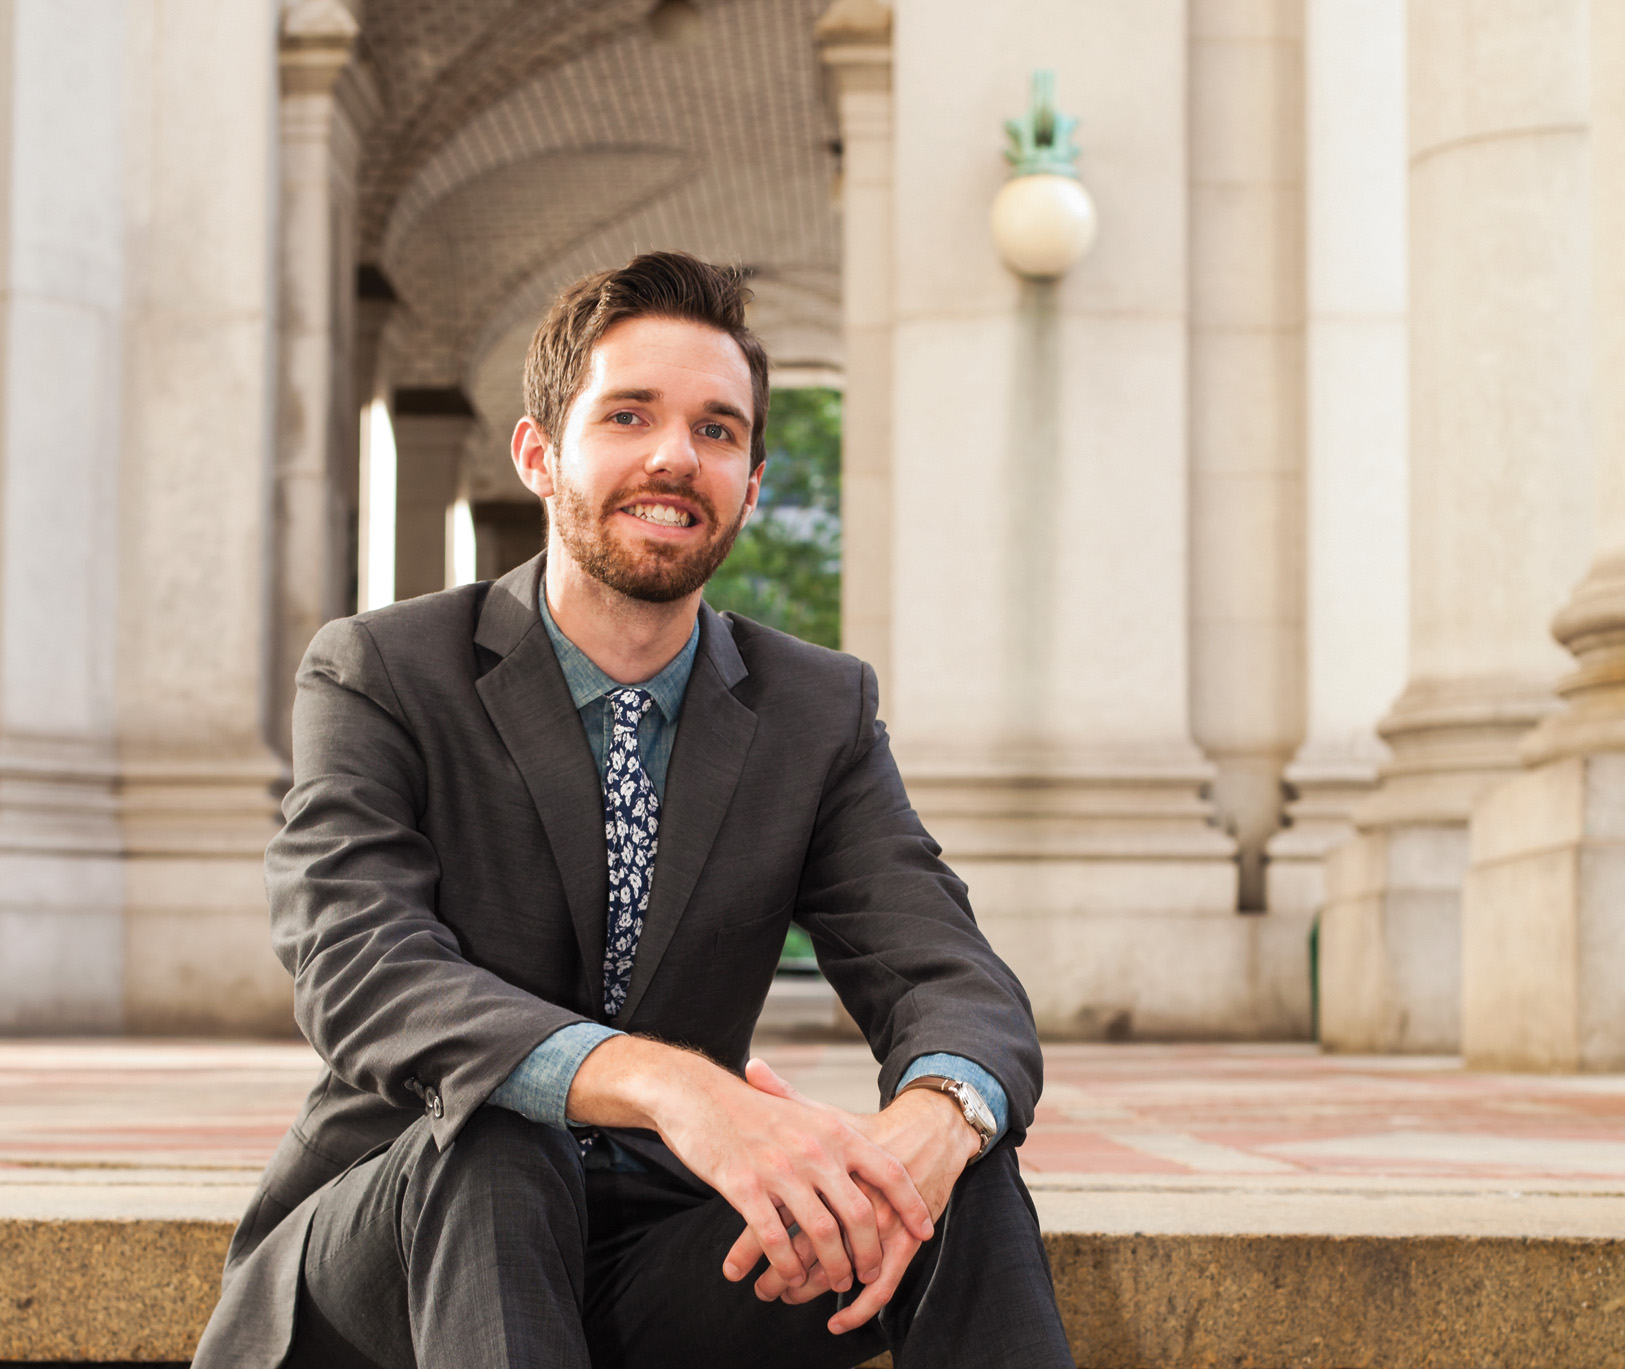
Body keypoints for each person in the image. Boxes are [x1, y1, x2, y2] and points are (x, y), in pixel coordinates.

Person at [193, 251, 1074, 1369]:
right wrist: (672, 1086)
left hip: (668, 1250)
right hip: (398, 1243)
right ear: (538, 453)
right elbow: (363, 971)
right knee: (498, 1145)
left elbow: (946, 969)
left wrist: (932, 1122)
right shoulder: (381, 671)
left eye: (717, 430)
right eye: (628, 414)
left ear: (750, 482)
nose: (675, 455)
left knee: (951, 1175)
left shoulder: (818, 708)